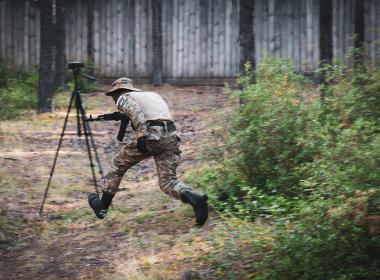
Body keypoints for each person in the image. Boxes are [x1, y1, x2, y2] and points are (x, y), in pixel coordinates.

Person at [88, 77, 208, 227]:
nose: (114, 100)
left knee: (118, 164)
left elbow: (135, 111)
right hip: (171, 136)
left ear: (119, 91)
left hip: (152, 135)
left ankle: (102, 207)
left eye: (113, 95)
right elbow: (153, 114)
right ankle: (195, 198)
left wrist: (141, 136)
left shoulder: (123, 98)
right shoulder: (152, 95)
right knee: (167, 181)